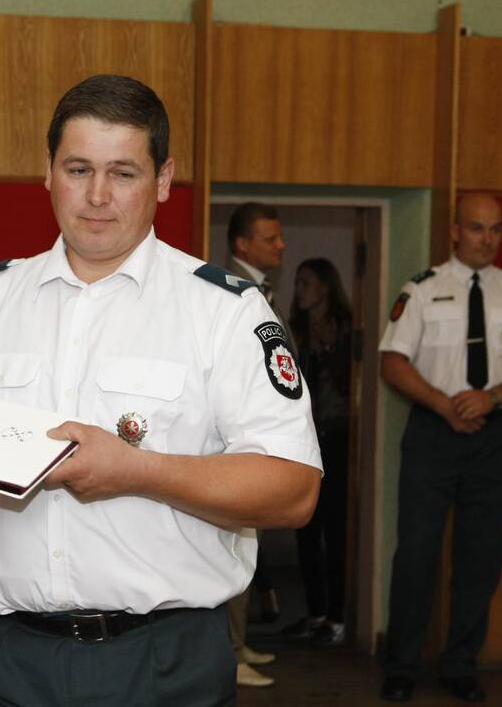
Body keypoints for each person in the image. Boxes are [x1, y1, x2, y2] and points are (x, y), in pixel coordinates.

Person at [0, 74, 322, 706]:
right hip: (3, 661)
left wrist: (137, 471)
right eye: (78, 169)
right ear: (47, 172)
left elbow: (294, 491)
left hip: (161, 663)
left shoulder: (225, 312)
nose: (97, 196)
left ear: (163, 179)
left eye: (123, 173)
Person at [378, 193, 502, 703]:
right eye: (477, 228)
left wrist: (493, 397)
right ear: (456, 230)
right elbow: (393, 361)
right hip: (433, 435)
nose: (487, 238)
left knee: (480, 559)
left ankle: (460, 664)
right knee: (415, 555)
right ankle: (402, 666)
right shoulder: (422, 289)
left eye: (496, 229)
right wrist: (444, 405)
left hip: (496, 437)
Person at [224, 201, 290, 687]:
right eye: (270, 238)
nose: (281, 246)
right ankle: (228, 653)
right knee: (231, 549)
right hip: (230, 447)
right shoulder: (227, 290)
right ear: (242, 245)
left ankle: (238, 641)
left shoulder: (264, 289)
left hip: (261, 439)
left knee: (248, 550)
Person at [288, 258, 353, 645]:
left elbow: (349, 387)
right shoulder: (293, 330)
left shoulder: (346, 328)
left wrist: (328, 347)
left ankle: (337, 616)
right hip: (305, 439)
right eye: (297, 282)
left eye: (306, 282)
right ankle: (314, 612)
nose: (299, 290)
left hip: (339, 438)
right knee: (306, 529)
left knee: (337, 528)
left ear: (325, 287)